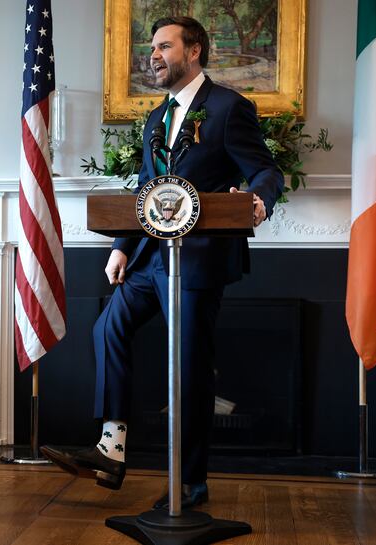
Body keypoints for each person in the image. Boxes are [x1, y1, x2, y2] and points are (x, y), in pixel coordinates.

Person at [41, 16, 284, 509]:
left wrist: (257, 200)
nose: (152, 55)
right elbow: (148, 192)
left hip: (199, 261)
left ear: (194, 51)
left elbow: (265, 169)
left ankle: (191, 484)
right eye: (151, 47)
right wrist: (122, 247)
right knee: (107, 328)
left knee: (189, 368)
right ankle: (112, 447)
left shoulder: (228, 108)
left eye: (163, 46)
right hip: (151, 257)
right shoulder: (155, 119)